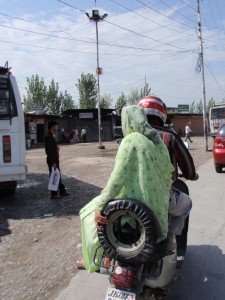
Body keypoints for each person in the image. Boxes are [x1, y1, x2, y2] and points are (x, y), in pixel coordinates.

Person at [79, 105, 174, 272]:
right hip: (157, 218)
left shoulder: (130, 141)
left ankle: (92, 261)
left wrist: (101, 206)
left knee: (88, 213)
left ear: (127, 122)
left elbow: (117, 180)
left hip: (133, 214)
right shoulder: (157, 144)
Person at [44, 120, 70, 199]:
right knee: (54, 176)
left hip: (54, 159)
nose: (57, 127)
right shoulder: (48, 136)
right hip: (53, 160)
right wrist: (53, 162)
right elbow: (49, 151)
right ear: (52, 127)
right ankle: (54, 194)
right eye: (56, 126)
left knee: (57, 175)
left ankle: (61, 191)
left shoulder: (51, 135)